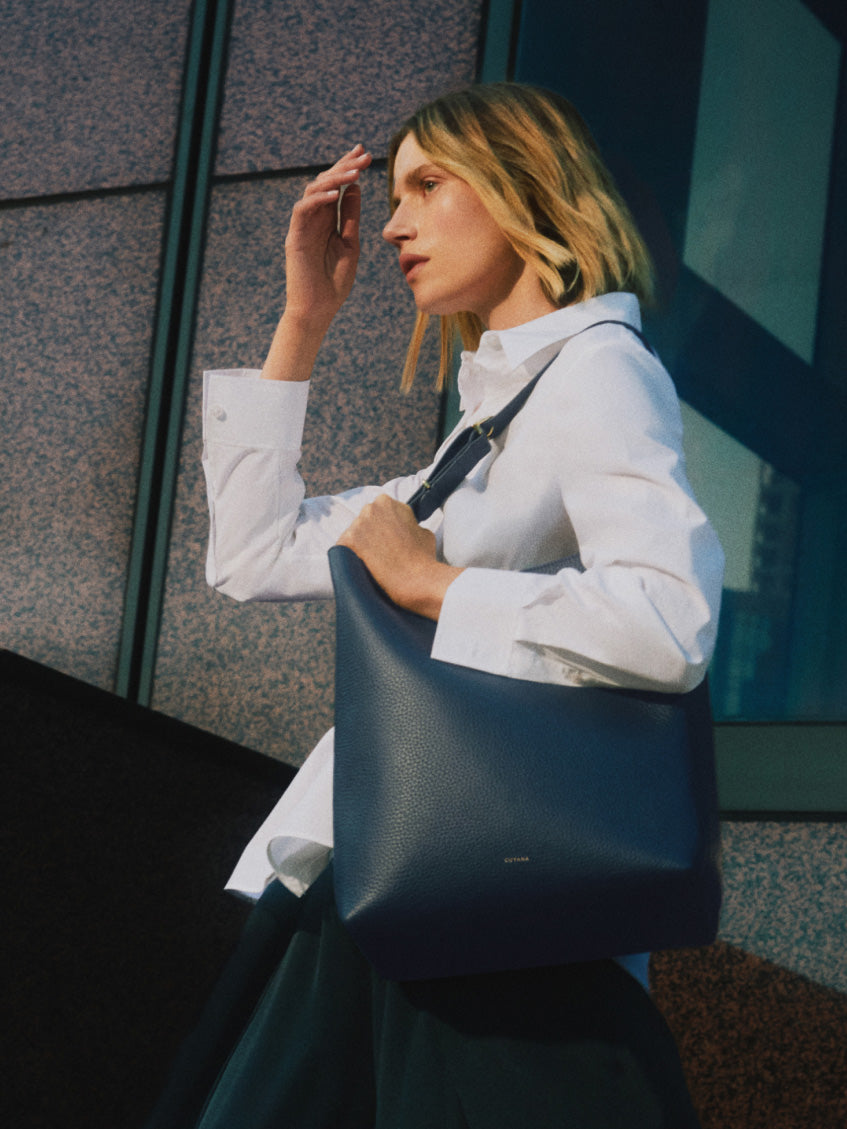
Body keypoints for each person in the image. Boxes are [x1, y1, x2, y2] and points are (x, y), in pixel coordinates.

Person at [146, 83, 724, 1128]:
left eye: (427, 184)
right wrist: (302, 319)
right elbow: (252, 554)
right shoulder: (477, 436)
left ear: (521, 191)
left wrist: (439, 585)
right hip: (393, 876)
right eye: (395, 191)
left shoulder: (598, 370)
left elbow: (670, 618)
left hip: (470, 894)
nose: (399, 220)